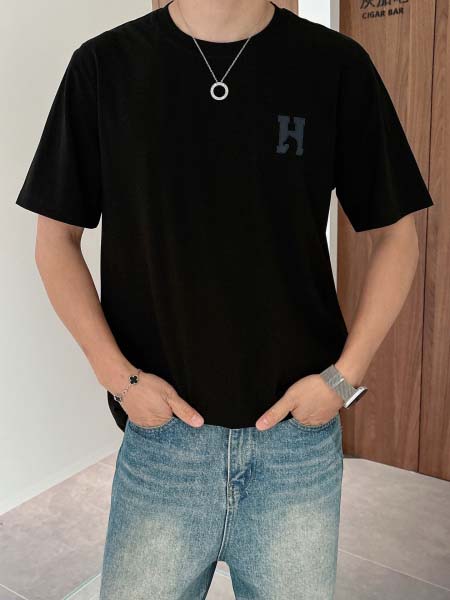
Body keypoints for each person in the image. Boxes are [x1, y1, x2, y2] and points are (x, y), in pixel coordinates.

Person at [15, 0, 434, 598]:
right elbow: (55, 240)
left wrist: (343, 379)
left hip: (294, 447)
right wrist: (119, 379)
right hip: (163, 443)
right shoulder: (106, 67)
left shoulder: (334, 65)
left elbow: (397, 237)